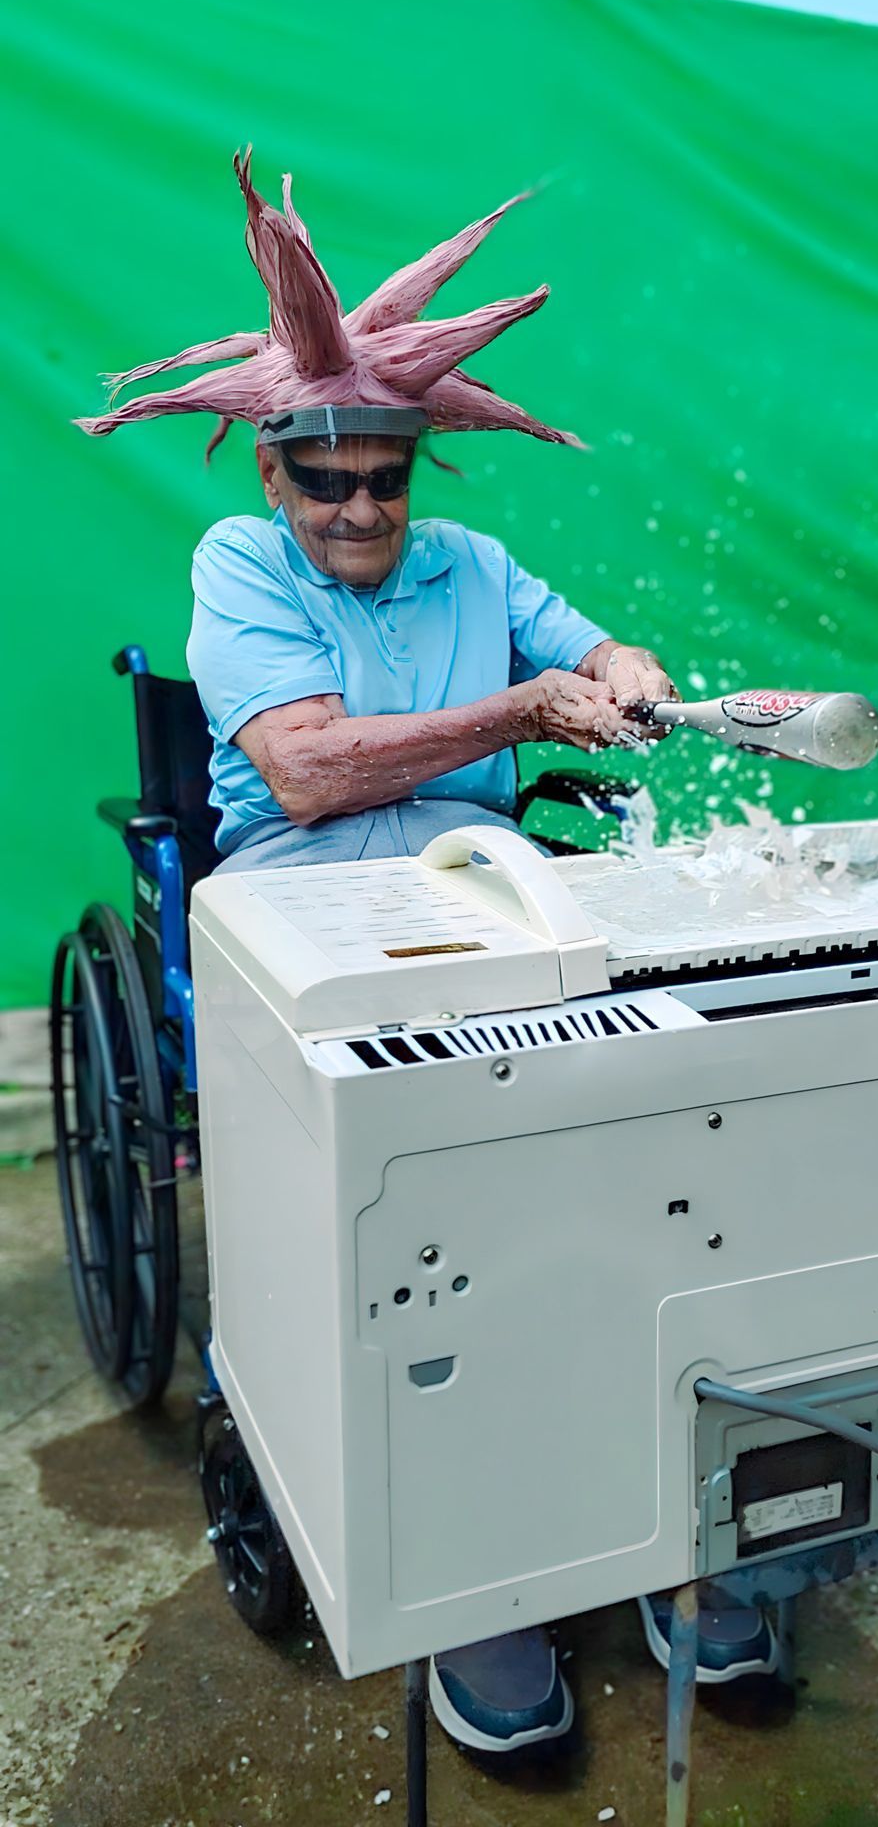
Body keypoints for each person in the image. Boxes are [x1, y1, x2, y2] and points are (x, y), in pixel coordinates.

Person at [77, 151, 780, 1751]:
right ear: (275, 477)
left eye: (383, 478)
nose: (359, 510)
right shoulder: (235, 568)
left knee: (646, 1145)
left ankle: (667, 1524)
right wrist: (528, 710)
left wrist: (632, 674)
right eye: (325, 480)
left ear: (413, 473)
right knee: (434, 1198)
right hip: (303, 895)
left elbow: (591, 644)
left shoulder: (473, 567)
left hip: (490, 885)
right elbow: (314, 769)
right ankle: (478, 1579)